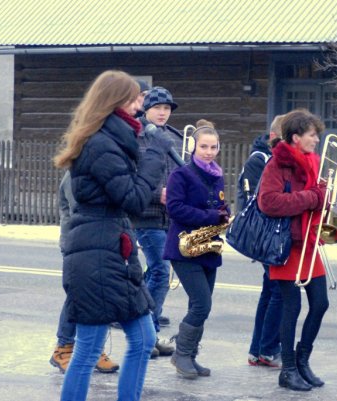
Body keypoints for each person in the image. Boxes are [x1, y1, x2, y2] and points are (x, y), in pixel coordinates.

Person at [53, 70, 174, 401]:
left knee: (144, 338)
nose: (141, 105)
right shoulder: (101, 144)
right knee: (89, 349)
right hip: (96, 252)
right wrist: (154, 156)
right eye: (136, 98)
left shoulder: (112, 139)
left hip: (111, 248)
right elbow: (132, 198)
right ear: (117, 101)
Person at [257, 109, 330, 392]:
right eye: (312, 135)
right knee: (292, 306)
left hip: (309, 241)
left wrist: (327, 201)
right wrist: (312, 197)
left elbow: (317, 197)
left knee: (321, 303)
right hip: (287, 244)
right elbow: (269, 203)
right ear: (296, 137)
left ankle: (302, 361)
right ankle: (287, 369)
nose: (316, 140)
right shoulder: (277, 165)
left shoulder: (314, 160)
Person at [163, 119, 227, 379]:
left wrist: (225, 213)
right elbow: (175, 208)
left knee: (202, 305)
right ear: (193, 147)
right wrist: (211, 216)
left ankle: (189, 355)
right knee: (202, 304)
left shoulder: (217, 174)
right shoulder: (181, 174)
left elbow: (218, 204)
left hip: (207, 248)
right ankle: (181, 354)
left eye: (213, 147)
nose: (209, 152)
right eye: (204, 147)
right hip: (184, 247)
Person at [132, 86, 184, 358]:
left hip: (170, 218)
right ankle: (147, 335)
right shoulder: (136, 135)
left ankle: (141, 327)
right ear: (146, 109)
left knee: (153, 274)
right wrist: (157, 194)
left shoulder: (172, 137)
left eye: (167, 108)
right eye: (158, 108)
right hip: (145, 216)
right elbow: (130, 179)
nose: (163, 112)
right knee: (161, 273)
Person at [49, 171, 119, 374]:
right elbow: (83, 212)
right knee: (78, 295)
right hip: (78, 243)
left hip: (99, 242)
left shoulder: (98, 171)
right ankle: (63, 348)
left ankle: (95, 350)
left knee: (101, 296)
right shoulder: (76, 175)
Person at [243, 114, 285, 368]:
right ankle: (268, 348)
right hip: (266, 235)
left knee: (270, 291)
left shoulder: (269, 158)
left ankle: (258, 349)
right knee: (277, 291)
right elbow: (262, 200)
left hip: (271, 235)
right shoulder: (260, 161)